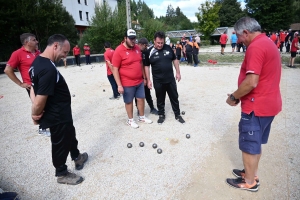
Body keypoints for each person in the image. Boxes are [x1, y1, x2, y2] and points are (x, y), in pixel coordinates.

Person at [225, 17, 282, 192]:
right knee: (255, 143)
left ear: (246, 32)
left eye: (239, 36)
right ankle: (251, 173)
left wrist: (234, 97)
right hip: (268, 104)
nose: (239, 40)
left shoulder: (255, 47)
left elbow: (251, 82)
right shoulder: (267, 42)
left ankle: (250, 182)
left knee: (249, 145)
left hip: (255, 106)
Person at [29, 34, 88, 185]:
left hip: (62, 113)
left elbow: (32, 87)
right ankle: (61, 173)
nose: (65, 56)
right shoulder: (48, 68)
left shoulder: (37, 62)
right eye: (65, 52)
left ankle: (77, 156)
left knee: (70, 134)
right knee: (60, 142)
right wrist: (35, 114)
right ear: (55, 46)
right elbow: (40, 97)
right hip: (57, 115)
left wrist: (36, 109)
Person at [4, 33, 50, 137]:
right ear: (26, 42)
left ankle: (49, 123)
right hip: (32, 86)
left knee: (49, 103)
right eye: (34, 40)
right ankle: (42, 128)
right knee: (39, 105)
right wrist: (21, 84)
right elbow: (7, 70)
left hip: (44, 83)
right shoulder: (17, 54)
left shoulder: (38, 52)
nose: (36, 42)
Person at [111, 29, 153, 129]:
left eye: (134, 38)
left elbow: (141, 63)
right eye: (130, 39)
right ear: (125, 38)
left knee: (141, 98)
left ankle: (142, 117)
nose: (133, 41)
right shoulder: (119, 50)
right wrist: (119, 85)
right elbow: (115, 69)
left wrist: (144, 78)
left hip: (139, 81)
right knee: (129, 101)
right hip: (127, 82)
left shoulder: (137, 48)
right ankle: (130, 120)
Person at [144, 31, 185, 125]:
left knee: (174, 97)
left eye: (162, 43)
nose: (160, 45)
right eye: (158, 43)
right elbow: (146, 66)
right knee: (160, 98)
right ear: (154, 41)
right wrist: (148, 79)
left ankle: (177, 115)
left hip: (170, 79)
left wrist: (178, 72)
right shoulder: (149, 52)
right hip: (158, 80)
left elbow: (174, 59)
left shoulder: (168, 48)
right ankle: (161, 115)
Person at [134, 38, 159, 115]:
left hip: (144, 76)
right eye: (145, 46)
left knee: (147, 93)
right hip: (136, 77)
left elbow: (146, 66)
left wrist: (146, 79)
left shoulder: (145, 52)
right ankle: (138, 109)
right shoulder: (134, 52)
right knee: (137, 95)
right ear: (141, 44)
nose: (146, 47)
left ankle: (152, 108)